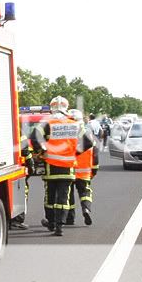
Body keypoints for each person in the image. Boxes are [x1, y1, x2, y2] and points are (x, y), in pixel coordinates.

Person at [30, 96, 93, 236]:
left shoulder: (47, 122)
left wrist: (42, 151)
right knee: (63, 197)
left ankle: (51, 223)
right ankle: (60, 226)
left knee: (50, 197)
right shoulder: (74, 123)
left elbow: (34, 138)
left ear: (51, 107)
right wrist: (75, 152)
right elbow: (88, 142)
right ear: (66, 106)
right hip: (68, 167)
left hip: (51, 167)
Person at [66, 109, 99, 226]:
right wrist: (94, 169)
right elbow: (95, 153)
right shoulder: (88, 133)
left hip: (70, 169)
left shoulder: (67, 133)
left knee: (69, 194)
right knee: (85, 192)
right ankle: (86, 209)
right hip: (85, 171)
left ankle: (70, 218)